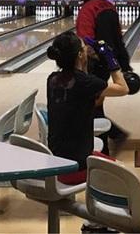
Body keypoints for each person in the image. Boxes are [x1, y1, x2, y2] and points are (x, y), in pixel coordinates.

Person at [45, 32, 130, 185]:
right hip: (77, 168)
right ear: (80, 55)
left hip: (56, 163)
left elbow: (88, 94)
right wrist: (110, 59)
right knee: (126, 175)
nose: (87, 50)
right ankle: (101, 206)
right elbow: (123, 89)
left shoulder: (52, 79)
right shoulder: (85, 83)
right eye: (84, 48)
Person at [75, 0, 132, 155]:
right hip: (108, 63)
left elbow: (86, 43)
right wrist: (123, 65)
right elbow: (118, 39)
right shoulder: (108, 6)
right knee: (94, 104)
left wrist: (81, 68)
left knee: (90, 107)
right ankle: (109, 141)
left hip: (94, 64)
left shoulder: (87, 10)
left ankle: (105, 149)